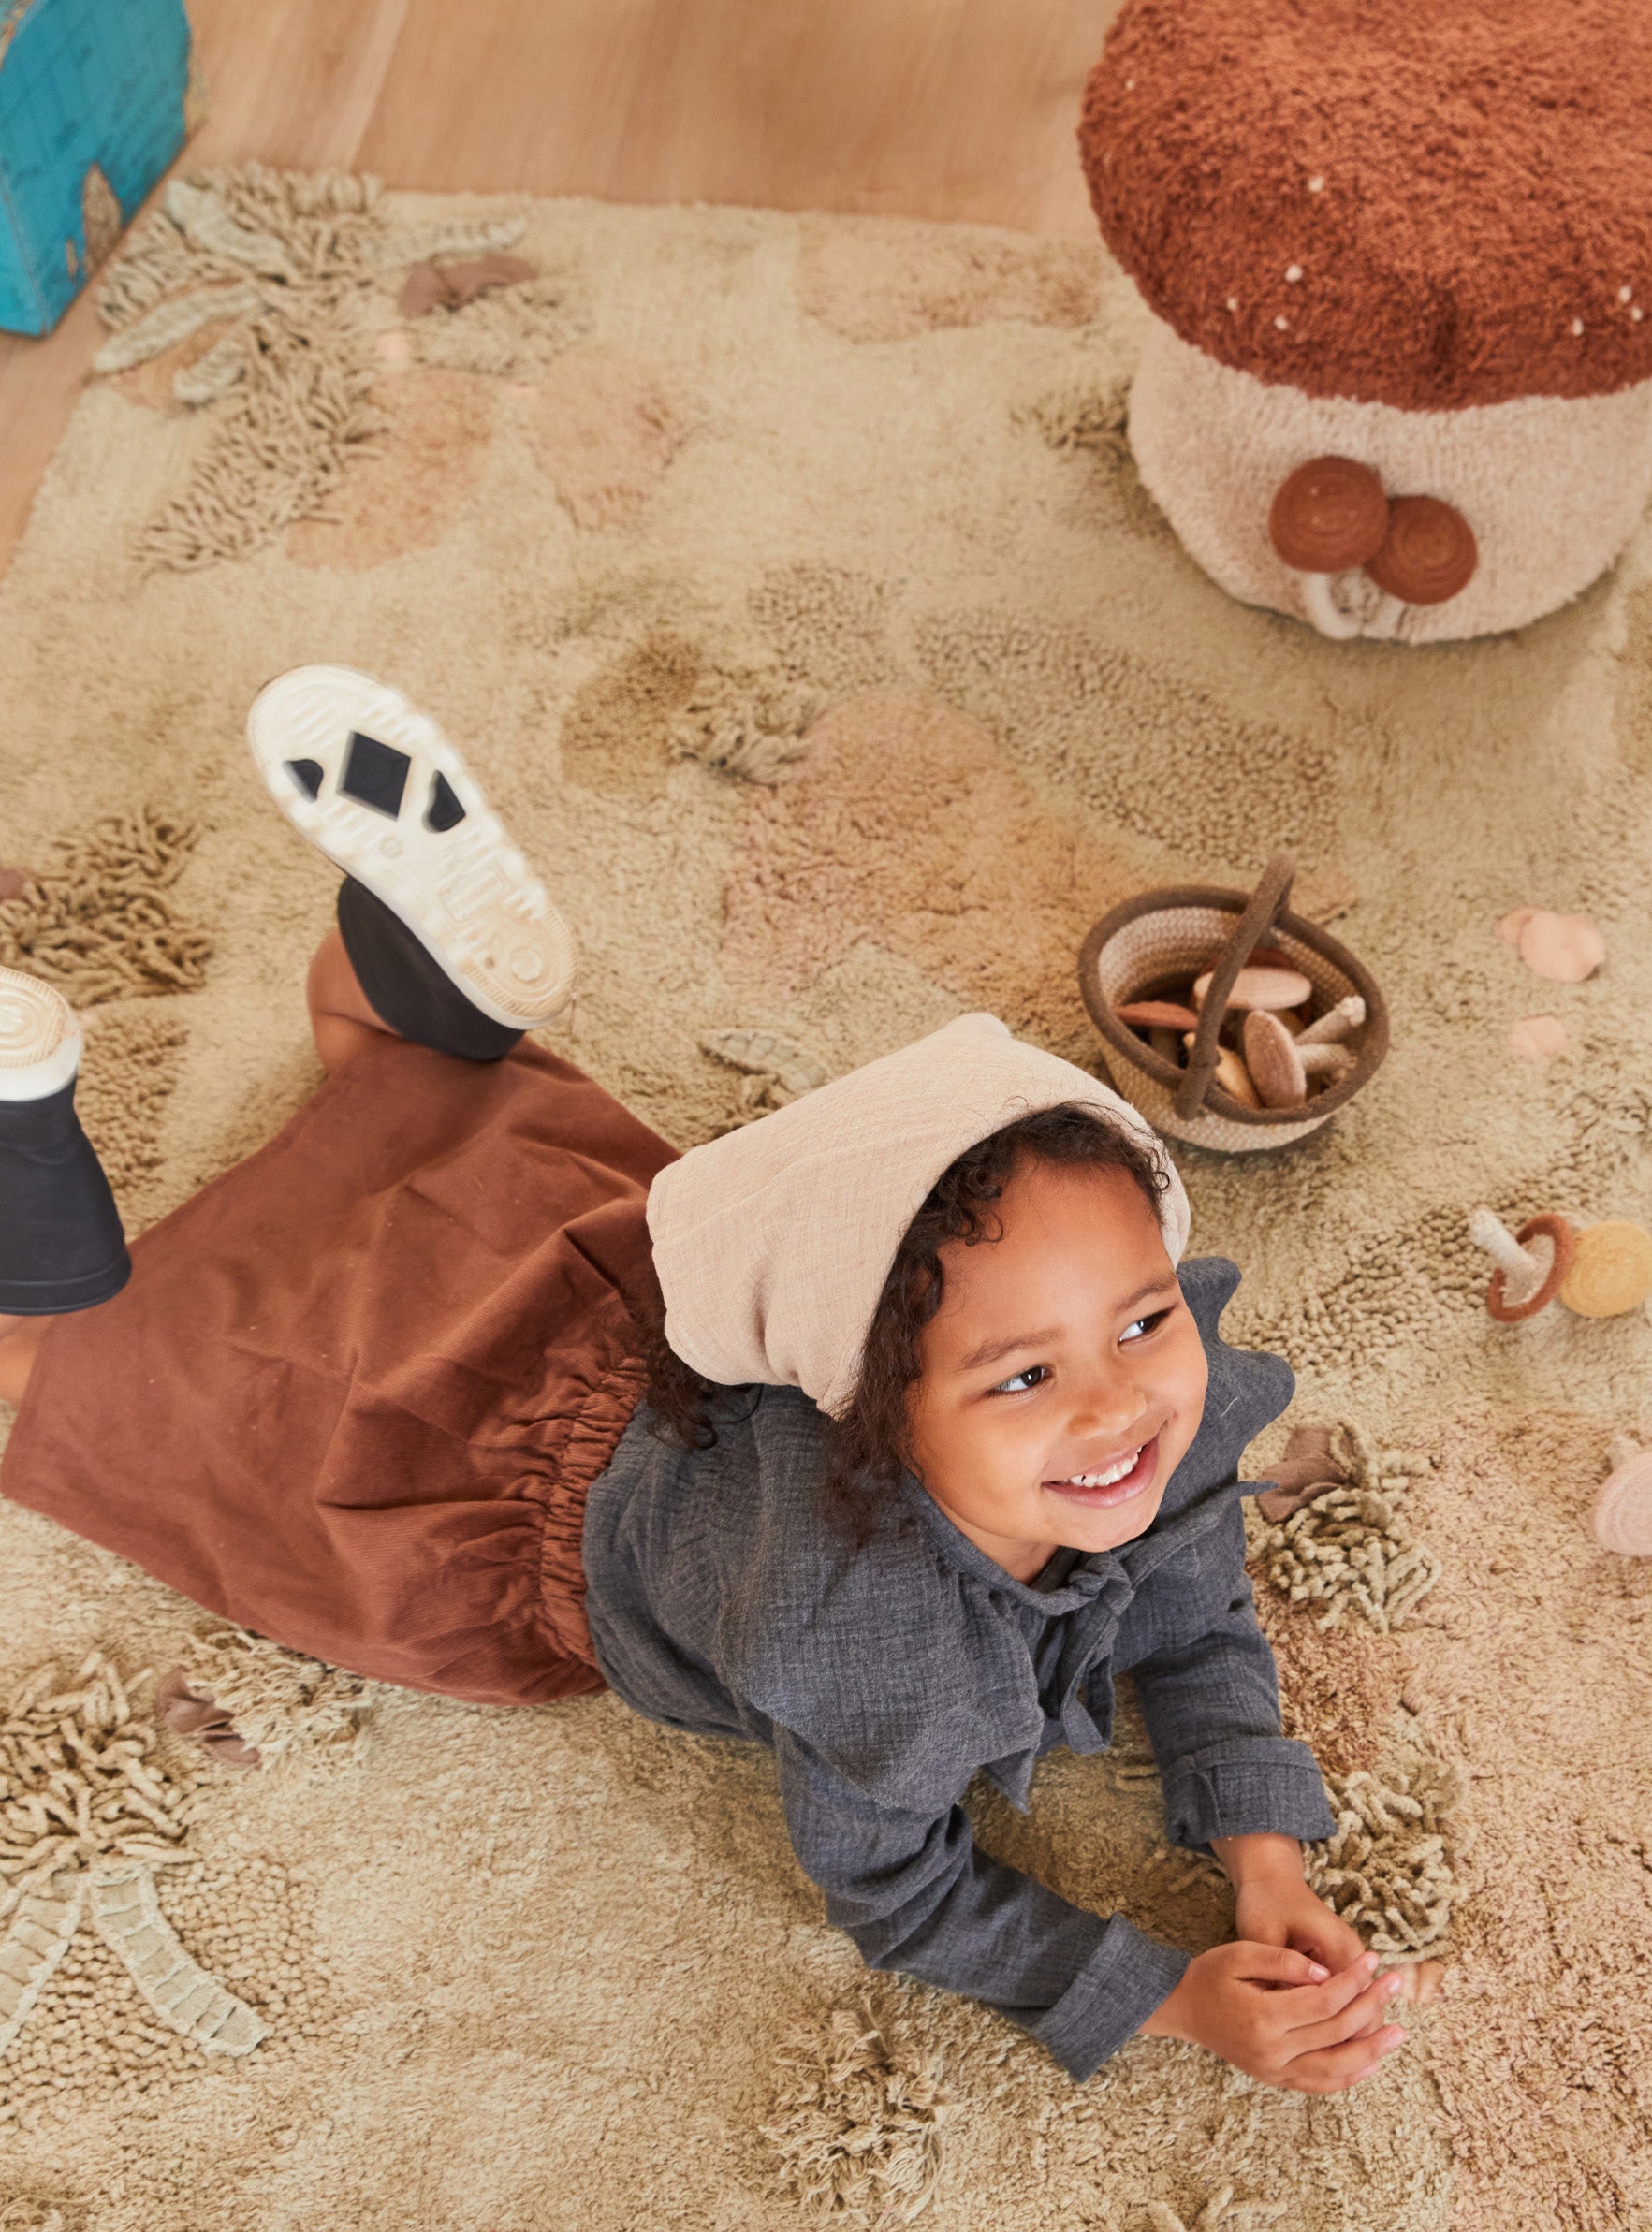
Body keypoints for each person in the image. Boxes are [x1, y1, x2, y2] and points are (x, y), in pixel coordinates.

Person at [0, 669, 1410, 2092]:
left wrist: (1262, 1853)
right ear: (872, 1404)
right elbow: (903, 1894)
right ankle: (32, 1158)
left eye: (1142, 1319)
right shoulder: (871, 1642)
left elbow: (1191, 1609)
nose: (1119, 1406)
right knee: (99, 1385)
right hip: (490, 1478)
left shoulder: (1162, 1411)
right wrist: (1168, 1998)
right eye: (1023, 1373)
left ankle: (401, 968)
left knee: (410, 1089)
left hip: (617, 1298)